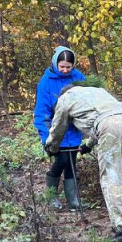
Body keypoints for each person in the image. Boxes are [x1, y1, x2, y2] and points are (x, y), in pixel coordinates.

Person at [45, 84, 122, 242]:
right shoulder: (97, 91)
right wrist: (89, 145)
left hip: (111, 127)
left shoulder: (65, 98)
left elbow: (58, 127)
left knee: (111, 178)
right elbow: (105, 116)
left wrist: (51, 147)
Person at [34, 46, 85, 210]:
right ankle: (51, 195)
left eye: (68, 67)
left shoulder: (78, 78)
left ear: (73, 65)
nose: (64, 70)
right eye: (61, 66)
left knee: (71, 163)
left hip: (74, 130)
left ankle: (73, 200)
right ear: (55, 63)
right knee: (61, 160)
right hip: (56, 131)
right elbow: (41, 112)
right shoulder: (46, 82)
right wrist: (46, 137)